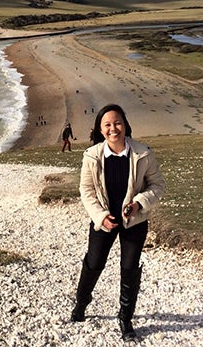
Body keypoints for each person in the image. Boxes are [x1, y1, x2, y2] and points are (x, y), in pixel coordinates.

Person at [71, 104, 165, 342]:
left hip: (134, 221)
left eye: (118, 122)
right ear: (101, 130)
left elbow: (157, 185)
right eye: (108, 125)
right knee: (93, 263)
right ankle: (81, 303)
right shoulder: (92, 156)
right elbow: (86, 189)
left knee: (130, 268)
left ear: (125, 124)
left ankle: (125, 318)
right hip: (104, 221)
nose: (114, 128)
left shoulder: (143, 153)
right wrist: (100, 216)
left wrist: (139, 203)